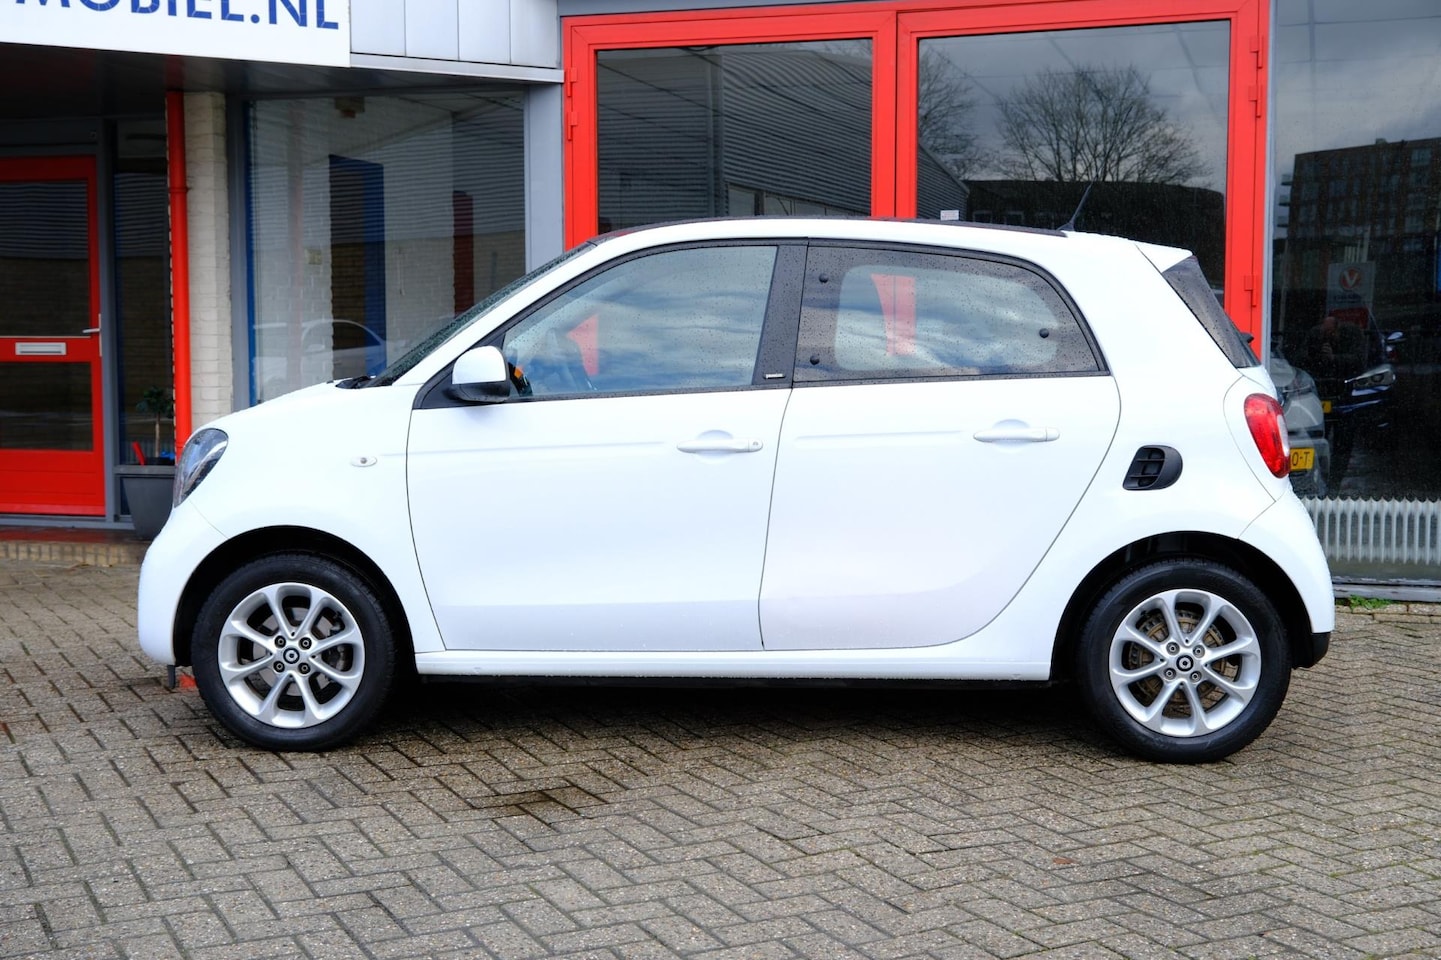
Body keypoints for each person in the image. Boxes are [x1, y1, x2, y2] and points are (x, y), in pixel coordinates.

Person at [1302, 313, 1367, 380]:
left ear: (1337, 329)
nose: (1328, 336)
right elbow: (1304, 354)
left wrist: (1334, 358)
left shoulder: (1351, 335)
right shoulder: (1315, 335)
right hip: (1321, 375)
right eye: (1325, 333)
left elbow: (1357, 359)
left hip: (1347, 375)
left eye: (1331, 333)